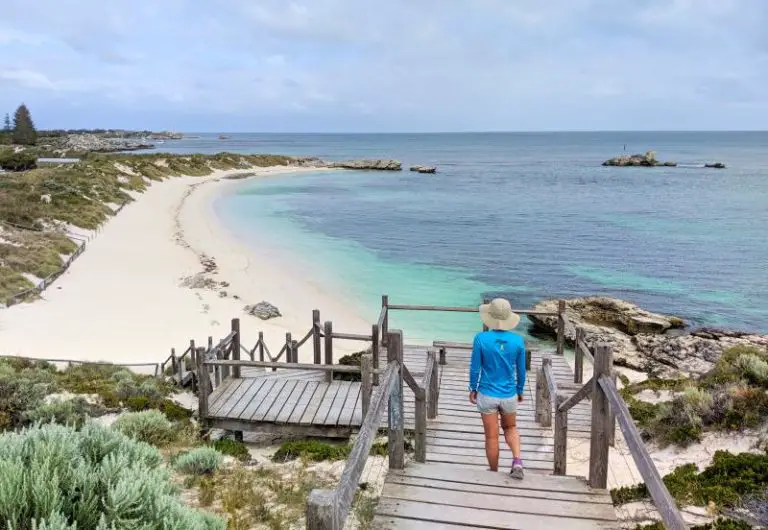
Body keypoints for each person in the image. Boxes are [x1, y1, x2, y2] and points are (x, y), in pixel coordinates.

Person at [468, 298, 526, 479]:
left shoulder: (481, 339)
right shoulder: (518, 341)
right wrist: (520, 389)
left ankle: (493, 472)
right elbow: (521, 369)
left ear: (490, 317)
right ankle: (517, 460)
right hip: (509, 394)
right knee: (511, 428)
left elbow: (475, 367)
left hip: (487, 394)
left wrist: (473, 387)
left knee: (492, 438)